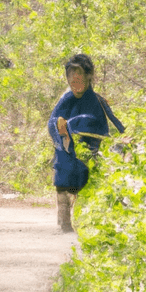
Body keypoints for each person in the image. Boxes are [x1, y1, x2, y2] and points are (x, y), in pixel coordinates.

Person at [47, 53, 124, 233]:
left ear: (89, 76)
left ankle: (87, 219)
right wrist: (61, 131)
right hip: (67, 147)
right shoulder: (66, 99)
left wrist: (124, 136)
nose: (74, 80)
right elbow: (52, 121)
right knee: (63, 175)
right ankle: (64, 219)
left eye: (79, 75)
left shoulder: (95, 100)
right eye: (71, 77)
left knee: (88, 180)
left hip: (91, 146)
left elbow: (109, 121)